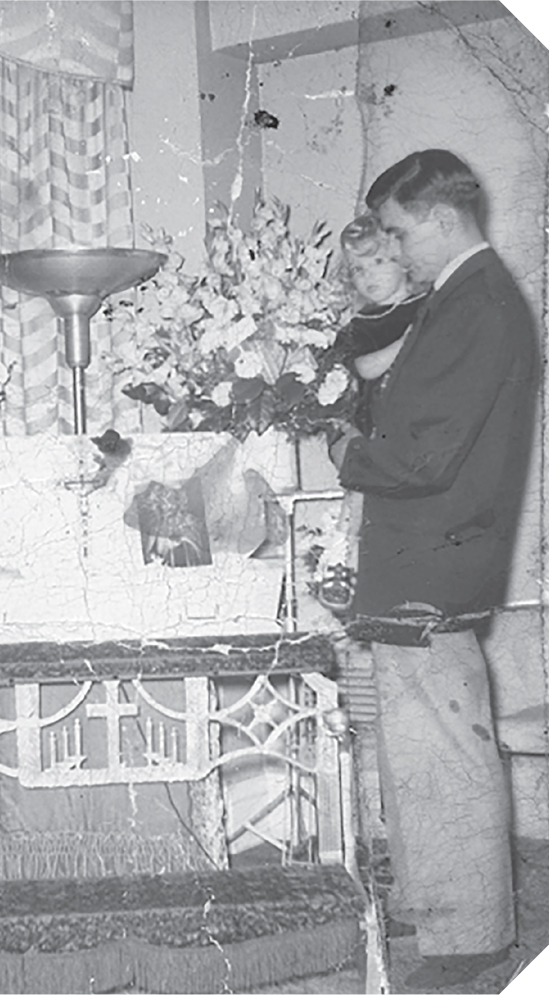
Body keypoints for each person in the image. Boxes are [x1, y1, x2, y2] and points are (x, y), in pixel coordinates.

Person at [330, 149, 537, 988]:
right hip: (425, 559)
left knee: (444, 752)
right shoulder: (458, 299)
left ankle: (470, 940)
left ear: (441, 220)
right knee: (418, 749)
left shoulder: (475, 303)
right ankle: (437, 907)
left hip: (436, 563)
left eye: (401, 231)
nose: (394, 249)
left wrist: (349, 453)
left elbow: (425, 456)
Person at [316, 213, 427, 612]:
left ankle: (340, 553)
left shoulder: (428, 306)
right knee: (361, 476)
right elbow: (360, 367)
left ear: (404, 259)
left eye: (379, 262)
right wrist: (407, 344)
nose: (369, 276)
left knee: (371, 492)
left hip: (412, 426)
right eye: (359, 269)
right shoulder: (362, 324)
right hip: (366, 424)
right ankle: (341, 556)